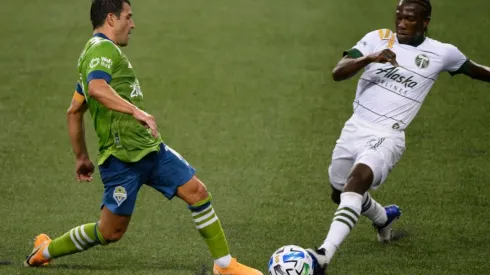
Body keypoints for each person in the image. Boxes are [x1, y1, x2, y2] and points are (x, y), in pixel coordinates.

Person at [24, 1, 262, 274]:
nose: (132, 24)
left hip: (150, 149)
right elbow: (97, 88)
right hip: (121, 158)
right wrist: (135, 111)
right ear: (111, 18)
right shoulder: (101, 50)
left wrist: (81, 158)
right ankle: (45, 250)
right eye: (128, 17)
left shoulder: (94, 54)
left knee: (197, 193)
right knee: (110, 232)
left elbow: (75, 110)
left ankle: (224, 265)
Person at [306, 0, 490, 274]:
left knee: (356, 183)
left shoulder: (442, 53)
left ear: (425, 22)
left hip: (388, 135)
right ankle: (382, 217)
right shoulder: (377, 38)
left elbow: (477, 71)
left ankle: (323, 256)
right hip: (356, 127)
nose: (401, 23)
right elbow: (337, 73)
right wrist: (369, 58)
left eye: (410, 19)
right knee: (339, 193)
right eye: (399, 17)